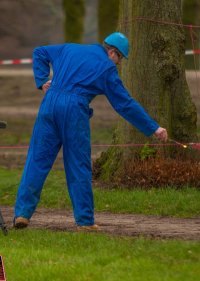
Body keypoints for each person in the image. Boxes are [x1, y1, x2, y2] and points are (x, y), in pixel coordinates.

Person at [14, 32, 168, 231]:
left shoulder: (70, 48)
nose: (119, 64)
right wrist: (153, 127)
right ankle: (85, 222)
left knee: (37, 160)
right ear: (112, 52)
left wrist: (42, 79)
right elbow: (125, 104)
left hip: (49, 105)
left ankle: (22, 214)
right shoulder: (106, 69)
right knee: (78, 165)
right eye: (120, 58)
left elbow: (40, 52)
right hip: (74, 110)